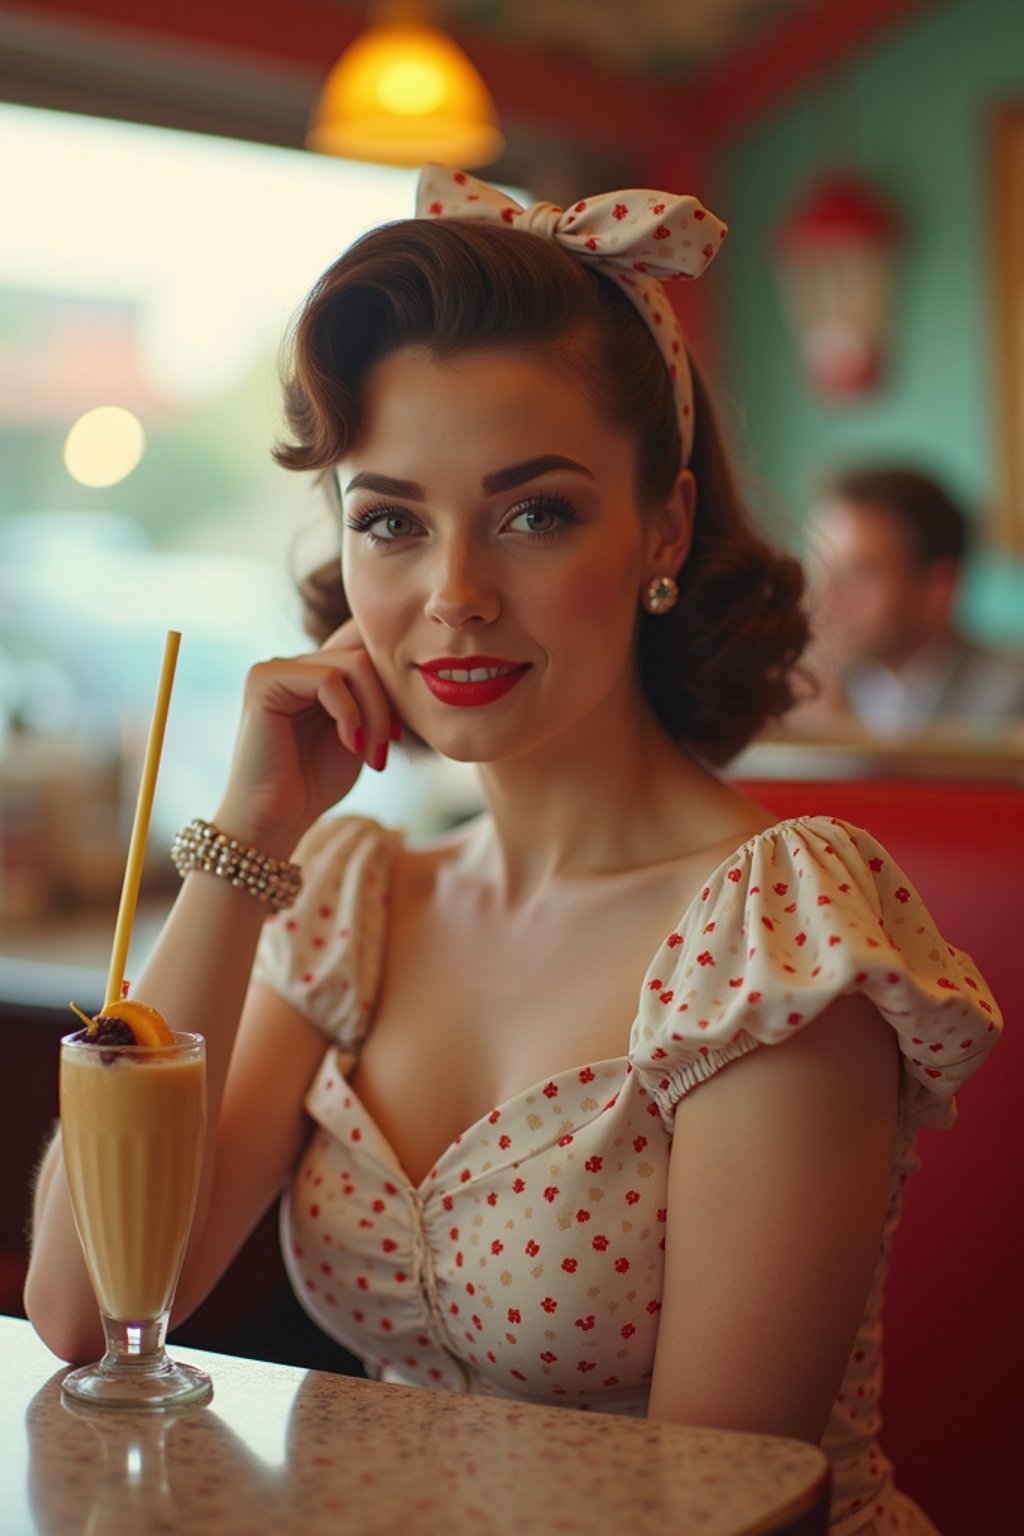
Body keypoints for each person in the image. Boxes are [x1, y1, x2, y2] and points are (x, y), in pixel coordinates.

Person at [26, 166, 999, 1536]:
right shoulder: (358, 898)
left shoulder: (775, 930)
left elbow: (707, 1505)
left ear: (661, 525)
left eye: (535, 512)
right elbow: (90, 1308)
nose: (456, 595)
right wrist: (243, 845)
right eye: (392, 521)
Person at [792, 466, 1024, 738]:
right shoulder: (809, 688)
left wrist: (841, 731)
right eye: (819, 569)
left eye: (857, 574)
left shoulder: (1012, 695)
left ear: (939, 589)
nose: (822, 597)